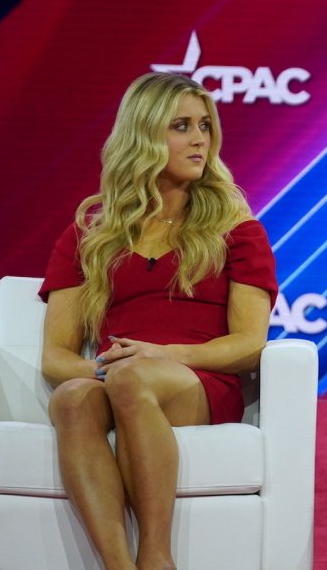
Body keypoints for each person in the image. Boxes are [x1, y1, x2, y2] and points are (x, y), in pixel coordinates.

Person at [39, 72, 277, 570]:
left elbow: (251, 343)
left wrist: (160, 355)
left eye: (205, 125)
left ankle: (156, 556)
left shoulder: (238, 230)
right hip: (119, 376)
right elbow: (56, 356)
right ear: (143, 136)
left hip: (199, 382)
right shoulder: (90, 234)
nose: (199, 139)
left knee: (131, 377)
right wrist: (109, 368)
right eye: (182, 126)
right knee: (71, 397)